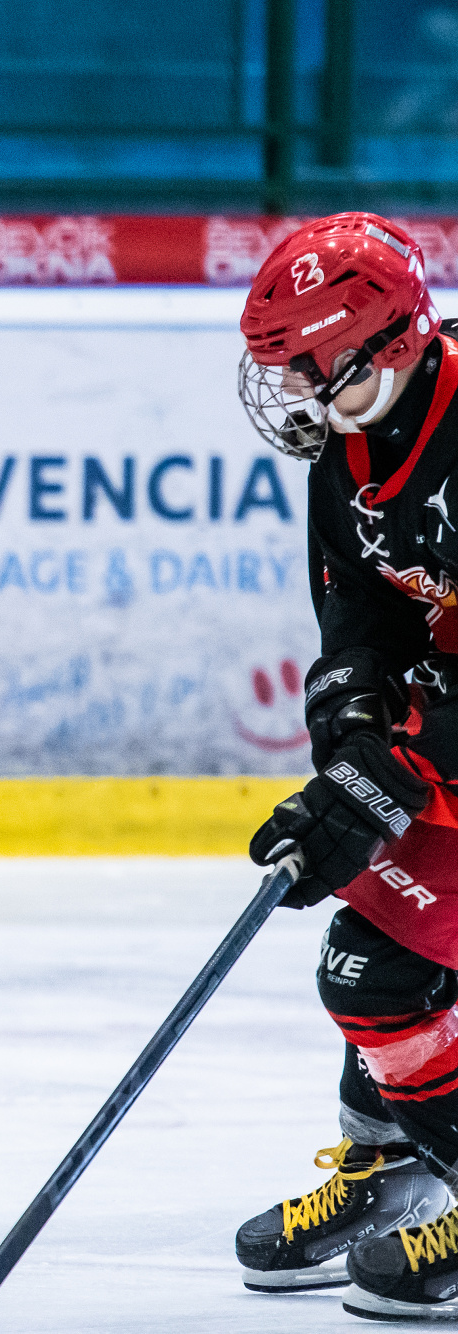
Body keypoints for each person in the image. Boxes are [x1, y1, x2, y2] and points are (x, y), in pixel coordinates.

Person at [232, 211, 458, 1321]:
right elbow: (358, 616)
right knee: (373, 953)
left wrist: (381, 773)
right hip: (446, 736)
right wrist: (351, 736)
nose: (297, 392)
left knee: (379, 972)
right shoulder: (357, 442)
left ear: (393, 341)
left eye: (311, 366)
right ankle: (395, 1170)